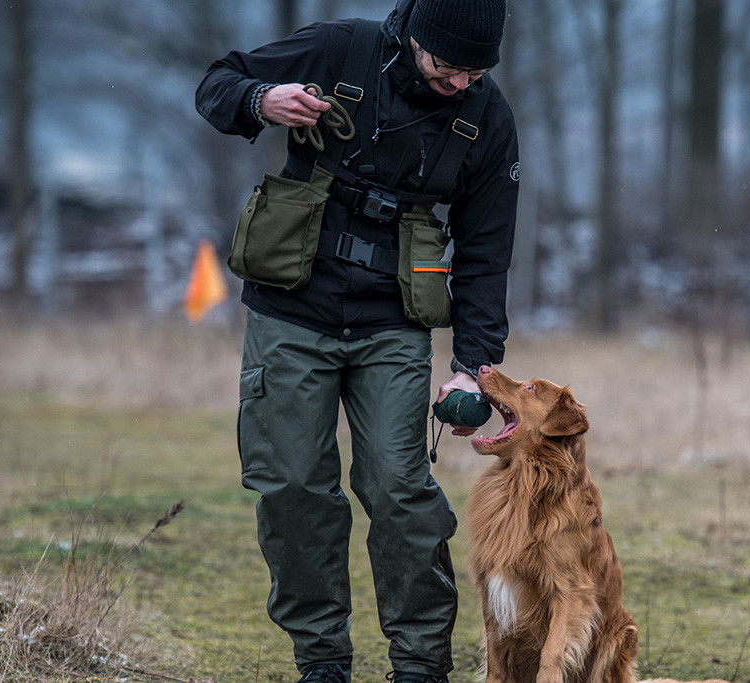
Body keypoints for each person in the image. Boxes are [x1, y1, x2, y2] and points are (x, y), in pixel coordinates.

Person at [195, 0, 517, 681]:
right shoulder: (340, 47)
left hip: (393, 321)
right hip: (292, 307)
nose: (461, 83)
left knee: (399, 487)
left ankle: (421, 665)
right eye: (448, 66)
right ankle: (321, 660)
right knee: (293, 486)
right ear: (417, 37)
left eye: (476, 71)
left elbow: (486, 254)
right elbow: (217, 83)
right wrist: (260, 100)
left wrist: (474, 367)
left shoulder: (487, 117)